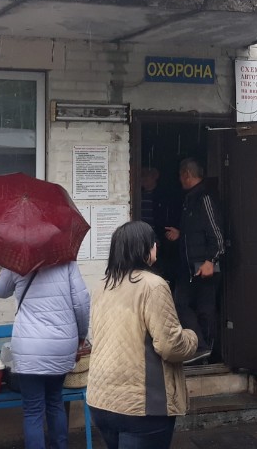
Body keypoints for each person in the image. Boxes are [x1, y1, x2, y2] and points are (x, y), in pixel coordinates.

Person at [86, 221, 197, 449]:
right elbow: (170, 346)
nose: (157, 246)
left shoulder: (103, 285)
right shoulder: (153, 285)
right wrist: (191, 338)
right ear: (145, 248)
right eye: (153, 242)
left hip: (101, 400)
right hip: (142, 406)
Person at [0, 262, 91, 449]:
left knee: (33, 410)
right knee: (55, 401)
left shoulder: (17, 260)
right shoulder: (66, 261)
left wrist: (7, 266)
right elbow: (81, 302)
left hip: (29, 348)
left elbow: (0, 291)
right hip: (60, 345)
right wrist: (81, 336)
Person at [164, 158, 223, 363]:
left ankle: (207, 352)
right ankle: (201, 348)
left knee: (206, 310)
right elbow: (197, 232)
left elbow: (217, 235)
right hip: (189, 267)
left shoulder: (204, 198)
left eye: (181, 176)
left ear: (187, 175)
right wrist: (181, 234)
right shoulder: (190, 199)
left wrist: (211, 260)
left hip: (205, 266)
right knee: (180, 304)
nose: (180, 180)